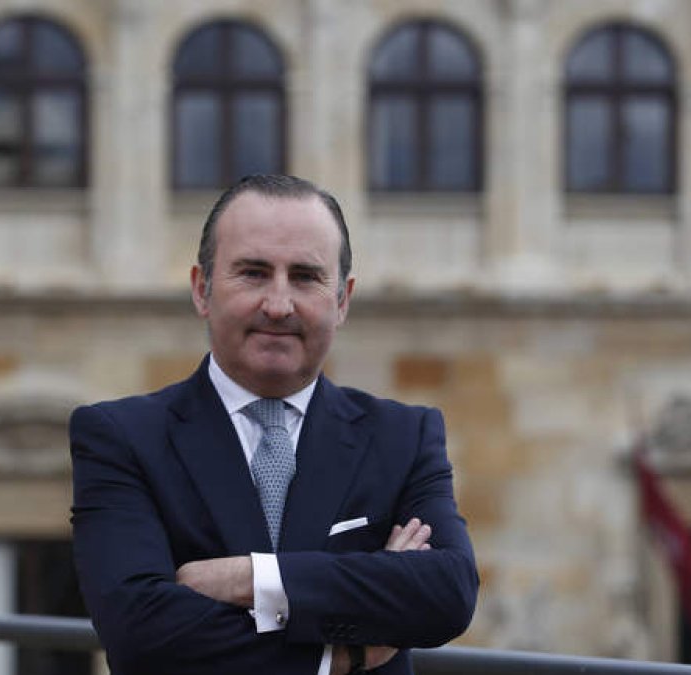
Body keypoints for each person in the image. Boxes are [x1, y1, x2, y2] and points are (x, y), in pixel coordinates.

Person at [69, 174, 478, 675]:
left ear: (343, 299)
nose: (279, 304)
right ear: (202, 289)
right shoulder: (121, 437)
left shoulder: (403, 437)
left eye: (305, 276)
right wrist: (342, 654)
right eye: (254, 273)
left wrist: (254, 578)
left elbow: (447, 593)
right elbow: (140, 633)